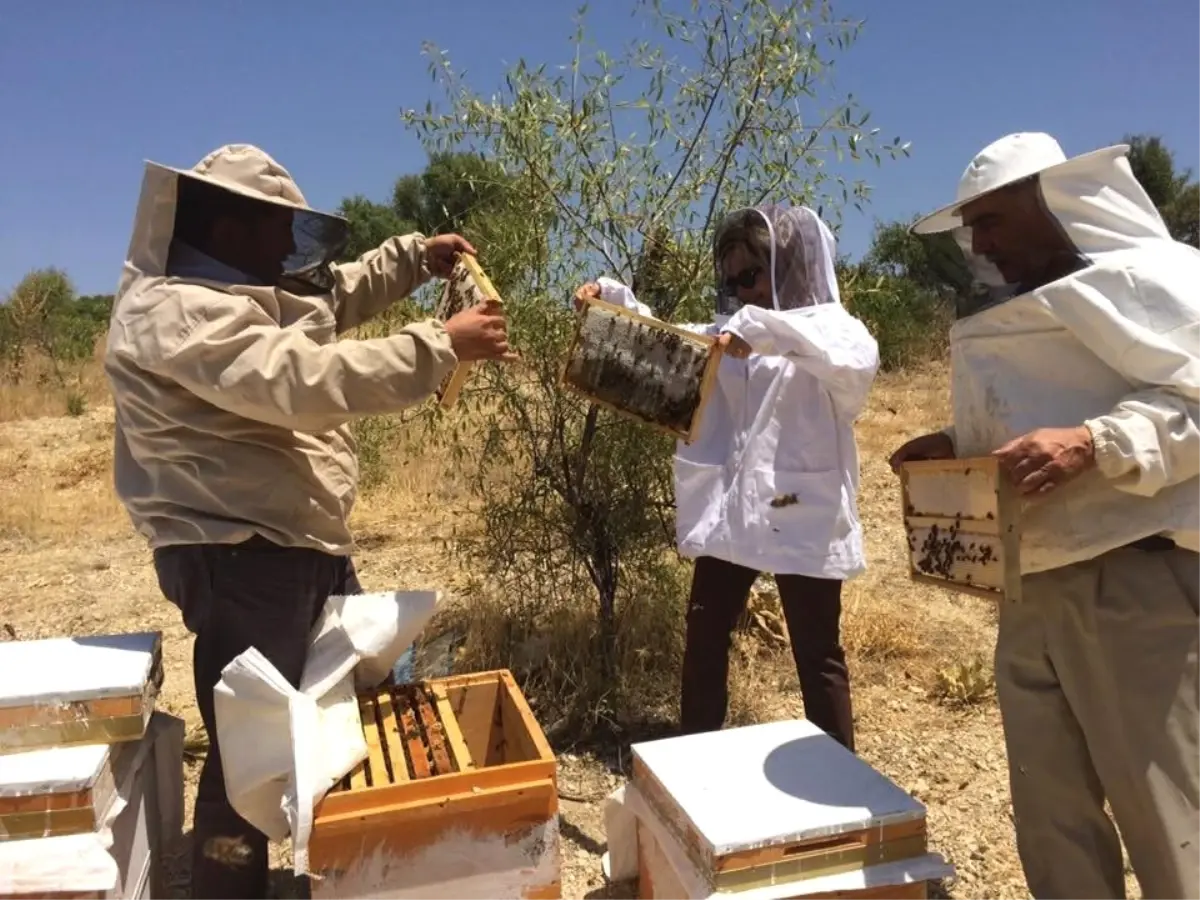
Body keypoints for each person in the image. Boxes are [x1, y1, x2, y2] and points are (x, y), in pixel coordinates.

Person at [104, 144, 514, 898]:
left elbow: (326, 301)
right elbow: (299, 377)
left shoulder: (236, 292)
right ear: (233, 228)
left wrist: (413, 258)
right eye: (275, 231)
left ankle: (339, 872)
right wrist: (438, 346)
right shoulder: (171, 313)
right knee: (252, 753)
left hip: (290, 544)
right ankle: (230, 886)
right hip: (243, 559)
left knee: (327, 718)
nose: (286, 251)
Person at [890, 132, 1200, 900]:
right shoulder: (1021, 313)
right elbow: (1030, 422)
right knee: (1050, 812)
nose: (980, 242)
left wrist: (1097, 443)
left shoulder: (1156, 282)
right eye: (974, 228)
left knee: (1170, 817)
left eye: (992, 220)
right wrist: (955, 448)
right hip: (1028, 586)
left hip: (1135, 585)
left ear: (1057, 204)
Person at [574, 203, 879, 750]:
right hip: (733, 511)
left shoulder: (838, 332)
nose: (741, 291)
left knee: (816, 650)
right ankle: (694, 762)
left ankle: (841, 781)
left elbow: (853, 367)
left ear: (785, 267)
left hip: (799, 509)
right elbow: (665, 341)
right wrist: (612, 300)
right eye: (732, 279)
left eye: (751, 275)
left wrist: (765, 331)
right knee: (705, 632)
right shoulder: (726, 331)